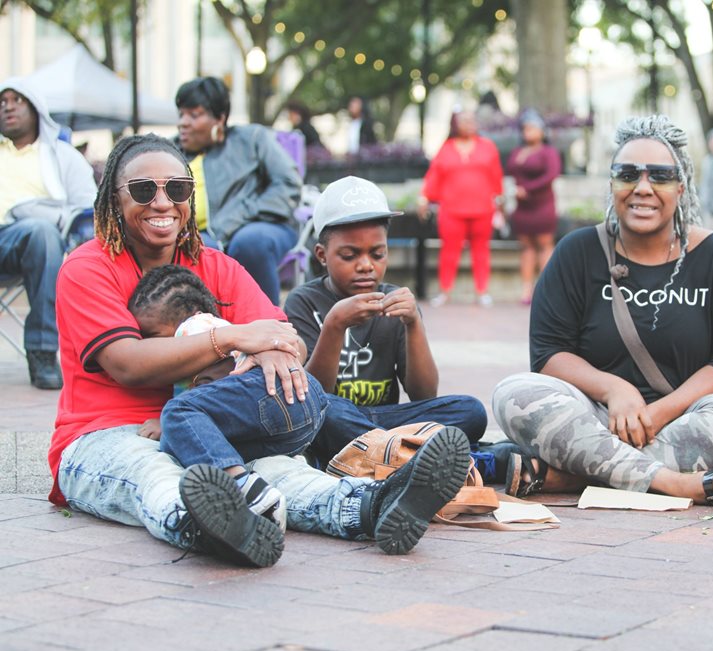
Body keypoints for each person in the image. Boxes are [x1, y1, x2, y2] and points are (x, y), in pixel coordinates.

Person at [48, 133, 470, 567]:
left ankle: (374, 507)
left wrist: (272, 350)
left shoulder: (216, 265)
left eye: (177, 189)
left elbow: (286, 338)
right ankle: (212, 526)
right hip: (107, 433)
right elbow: (126, 363)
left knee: (283, 472)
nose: (162, 203)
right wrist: (232, 337)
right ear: (114, 200)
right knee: (155, 475)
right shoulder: (87, 268)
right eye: (143, 190)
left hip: (213, 429)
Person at [492, 115, 713, 509]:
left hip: (684, 420)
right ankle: (674, 483)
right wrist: (615, 390)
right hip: (595, 417)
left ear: (681, 187)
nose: (642, 188)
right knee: (514, 394)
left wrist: (660, 412)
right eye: (628, 174)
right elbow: (548, 355)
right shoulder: (577, 253)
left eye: (660, 176)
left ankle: (572, 476)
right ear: (612, 184)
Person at [284, 175, 488, 469]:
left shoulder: (395, 300)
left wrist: (414, 324)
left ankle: (382, 455)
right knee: (326, 414)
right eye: (349, 255)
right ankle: (411, 456)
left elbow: (424, 395)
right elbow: (312, 398)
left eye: (377, 254)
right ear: (322, 256)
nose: (366, 265)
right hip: (334, 419)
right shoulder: (303, 301)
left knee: (471, 411)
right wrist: (334, 325)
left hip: (383, 421)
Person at [128, 263, 332, 532]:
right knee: (210, 442)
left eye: (153, 335)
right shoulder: (226, 330)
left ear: (191, 315)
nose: (151, 345)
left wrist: (166, 422)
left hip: (266, 393)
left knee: (177, 416)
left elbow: (203, 396)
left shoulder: (197, 328)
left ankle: (243, 489)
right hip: (307, 402)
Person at [0, 78, 96, 389]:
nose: (8, 106)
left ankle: (42, 351)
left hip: (31, 240)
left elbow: (88, 208)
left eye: (17, 100)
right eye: (3, 101)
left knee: (41, 232)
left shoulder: (61, 155)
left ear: (36, 108)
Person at [175, 76, 301, 305]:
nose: (183, 122)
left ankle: (268, 323)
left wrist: (236, 217)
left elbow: (288, 184)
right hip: (199, 234)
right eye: (181, 114)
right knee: (199, 248)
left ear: (220, 119)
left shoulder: (251, 139)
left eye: (194, 115)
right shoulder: (169, 152)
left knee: (249, 242)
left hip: (262, 225)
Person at [418, 110, 504, 308]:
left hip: (482, 209)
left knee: (481, 250)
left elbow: (496, 176)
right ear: (456, 124)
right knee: (449, 251)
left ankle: (482, 291)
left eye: (472, 120)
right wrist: (424, 198)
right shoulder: (446, 148)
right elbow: (434, 176)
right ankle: (445, 292)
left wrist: (499, 201)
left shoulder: (488, 147)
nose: (469, 124)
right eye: (464, 121)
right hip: (452, 210)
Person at [506, 110, 561, 305]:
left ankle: (546, 288)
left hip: (542, 205)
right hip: (522, 208)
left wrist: (527, 189)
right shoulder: (517, 152)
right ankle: (526, 290)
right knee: (526, 247)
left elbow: (551, 175)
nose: (527, 132)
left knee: (545, 245)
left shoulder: (548, 152)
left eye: (531, 128)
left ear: (542, 131)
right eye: (524, 128)